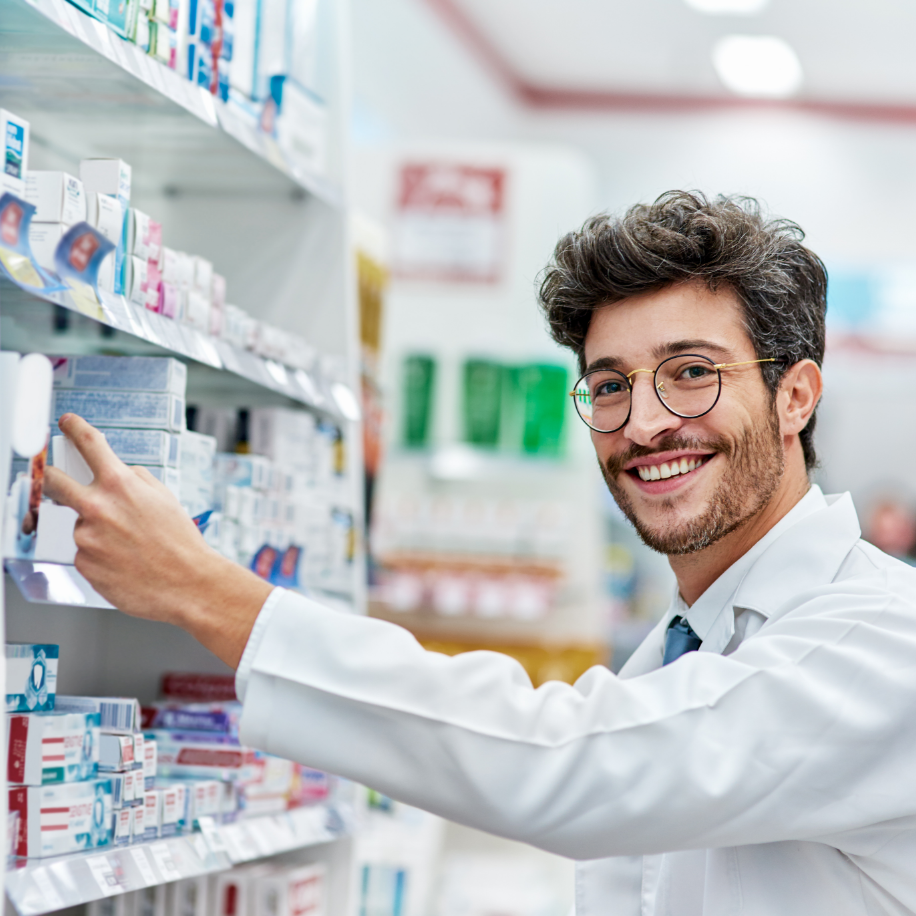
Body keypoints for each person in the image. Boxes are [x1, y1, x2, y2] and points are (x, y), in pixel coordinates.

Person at [43, 192, 916, 916]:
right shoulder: (690, 644)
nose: (645, 424)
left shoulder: (879, 638)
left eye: (692, 371)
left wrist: (210, 593)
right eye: (610, 384)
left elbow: (570, 760)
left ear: (795, 395)